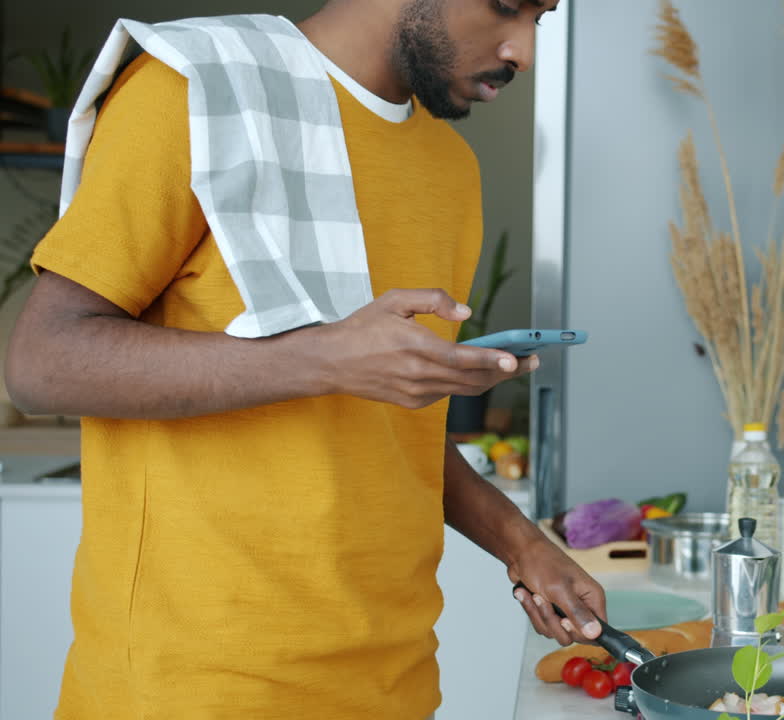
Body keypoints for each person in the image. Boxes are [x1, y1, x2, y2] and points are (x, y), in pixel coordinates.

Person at [3, 0, 605, 717]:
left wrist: (521, 543)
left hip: (394, 684)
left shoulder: (449, 171)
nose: (525, 51)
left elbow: (385, 436)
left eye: (543, 16)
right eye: (509, 6)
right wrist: (325, 358)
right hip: (193, 690)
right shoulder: (195, 92)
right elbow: (42, 362)